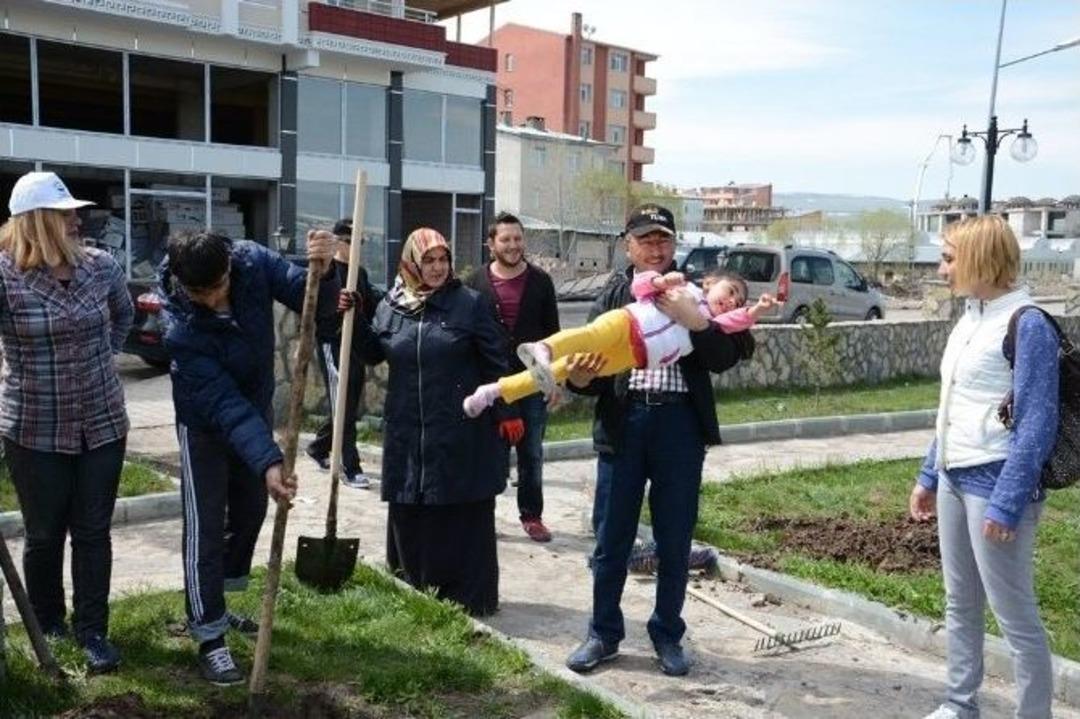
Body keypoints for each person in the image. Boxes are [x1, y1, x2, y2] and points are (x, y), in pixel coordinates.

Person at [562, 204, 754, 677]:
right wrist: (581, 378)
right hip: (623, 425)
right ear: (627, 245)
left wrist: (696, 321)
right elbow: (584, 370)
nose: (655, 248)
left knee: (674, 539)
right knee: (611, 538)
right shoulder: (613, 294)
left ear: (674, 245)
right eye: (645, 240)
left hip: (679, 427)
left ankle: (667, 634)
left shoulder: (695, 293)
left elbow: (729, 354)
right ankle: (603, 634)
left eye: (663, 240)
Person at [161, 229, 338, 685]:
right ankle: (209, 634)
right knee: (204, 528)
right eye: (201, 292)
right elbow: (224, 405)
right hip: (205, 425)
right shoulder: (180, 327)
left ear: (228, 266)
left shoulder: (252, 262)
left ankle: (216, 603)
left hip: (254, 412)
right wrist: (269, 460)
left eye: (219, 285)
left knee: (250, 511)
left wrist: (324, 268)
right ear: (183, 284)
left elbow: (310, 296)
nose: (214, 299)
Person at [910, 215, 1058, 719]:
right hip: (955, 476)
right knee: (960, 601)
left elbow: (1037, 421)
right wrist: (930, 473)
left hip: (995, 482)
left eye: (948, 258)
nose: (941, 269)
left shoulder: (1027, 323)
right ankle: (959, 705)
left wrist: (1008, 502)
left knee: (1014, 615)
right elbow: (955, 403)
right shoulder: (971, 317)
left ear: (980, 259)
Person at [0, 172, 133, 673]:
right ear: (38, 221)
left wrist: (100, 359)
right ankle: (48, 625)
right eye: (66, 213)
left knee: (94, 531)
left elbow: (123, 316)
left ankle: (92, 631)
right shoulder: (5, 275)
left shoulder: (101, 267)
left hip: (102, 422)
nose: (77, 219)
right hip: (34, 427)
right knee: (44, 534)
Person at [351, 228, 511, 616]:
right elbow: (373, 353)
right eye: (428, 260)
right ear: (411, 263)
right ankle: (416, 595)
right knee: (413, 508)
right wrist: (352, 318)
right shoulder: (391, 306)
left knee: (459, 512)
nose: (438, 268)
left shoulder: (470, 304)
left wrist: (506, 413)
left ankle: (465, 600)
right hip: (408, 430)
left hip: (461, 430)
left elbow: (497, 364)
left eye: (443, 260)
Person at [463, 268, 775, 411]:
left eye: (737, 301)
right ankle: (543, 347)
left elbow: (740, 320)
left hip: (636, 355)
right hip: (628, 322)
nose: (732, 301)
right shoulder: (685, 288)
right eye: (731, 291)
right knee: (588, 337)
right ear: (710, 282)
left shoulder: (714, 324)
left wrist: (758, 309)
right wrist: (660, 280)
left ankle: (495, 391)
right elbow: (640, 286)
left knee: (567, 368)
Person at [464, 212, 560, 542]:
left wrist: (554, 380)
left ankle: (532, 516)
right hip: (490, 383)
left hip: (531, 383)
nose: (513, 245)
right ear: (491, 244)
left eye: (518, 238)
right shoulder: (474, 283)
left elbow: (553, 336)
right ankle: (482, 517)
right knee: (489, 454)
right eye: (505, 239)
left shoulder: (541, 281)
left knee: (531, 453)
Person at [306, 218, 383, 489]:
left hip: (356, 346)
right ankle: (351, 467)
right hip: (333, 343)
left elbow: (371, 307)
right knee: (342, 404)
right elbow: (314, 309)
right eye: (352, 241)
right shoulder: (328, 271)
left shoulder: (359, 273)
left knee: (349, 406)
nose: (357, 247)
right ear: (339, 242)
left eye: (360, 242)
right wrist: (335, 307)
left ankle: (318, 447)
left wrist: (361, 304)